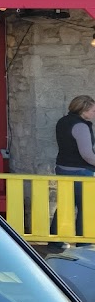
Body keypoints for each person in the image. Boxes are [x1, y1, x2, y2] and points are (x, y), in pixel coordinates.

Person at [51, 94, 95, 248]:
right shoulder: (81, 126)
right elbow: (87, 155)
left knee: (64, 205)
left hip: (62, 168)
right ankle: (84, 244)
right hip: (80, 171)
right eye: (93, 110)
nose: (94, 113)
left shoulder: (62, 122)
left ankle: (55, 242)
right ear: (83, 110)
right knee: (86, 206)